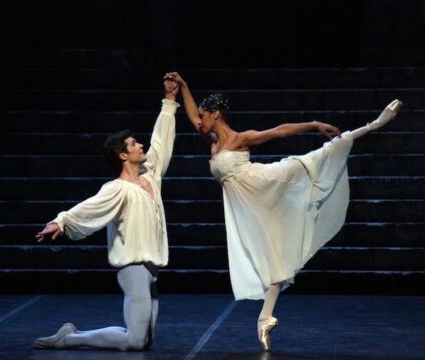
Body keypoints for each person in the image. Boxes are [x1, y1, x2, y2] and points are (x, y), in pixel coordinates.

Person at [166, 72, 402, 351]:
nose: (199, 121)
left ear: (216, 115)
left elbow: (278, 131)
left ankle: (372, 125)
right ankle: (265, 317)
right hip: (249, 204)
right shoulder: (213, 141)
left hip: (266, 185)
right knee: (273, 254)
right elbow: (193, 115)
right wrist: (184, 87)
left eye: (205, 116)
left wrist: (313, 124)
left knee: (312, 161)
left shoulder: (240, 139)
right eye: (201, 116)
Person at [32, 78, 180, 351]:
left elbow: (161, 141)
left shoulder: (151, 177)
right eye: (134, 144)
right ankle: (71, 339)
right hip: (133, 269)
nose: (140, 146)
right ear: (124, 156)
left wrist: (169, 103)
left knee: (144, 341)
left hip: (151, 269)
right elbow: (90, 206)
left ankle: (71, 333)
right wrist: (61, 221)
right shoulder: (117, 189)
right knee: (135, 342)